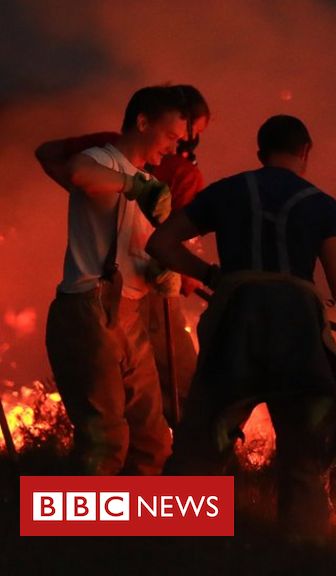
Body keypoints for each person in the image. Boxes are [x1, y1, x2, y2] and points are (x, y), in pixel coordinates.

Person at [147, 114, 336, 538]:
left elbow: (160, 243)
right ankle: (300, 558)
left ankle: (172, 548)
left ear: (260, 153)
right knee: (303, 460)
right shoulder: (321, 205)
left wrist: (214, 276)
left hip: (235, 327)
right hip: (298, 336)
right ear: (306, 152)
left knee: (199, 448)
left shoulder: (229, 191)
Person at [36, 85, 211, 427]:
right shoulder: (169, 172)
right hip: (128, 299)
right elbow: (77, 172)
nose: (184, 144)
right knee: (182, 393)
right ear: (147, 123)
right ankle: (197, 469)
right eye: (185, 134)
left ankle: (158, 473)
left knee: (144, 427)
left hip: (134, 291)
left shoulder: (130, 162)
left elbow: (47, 154)